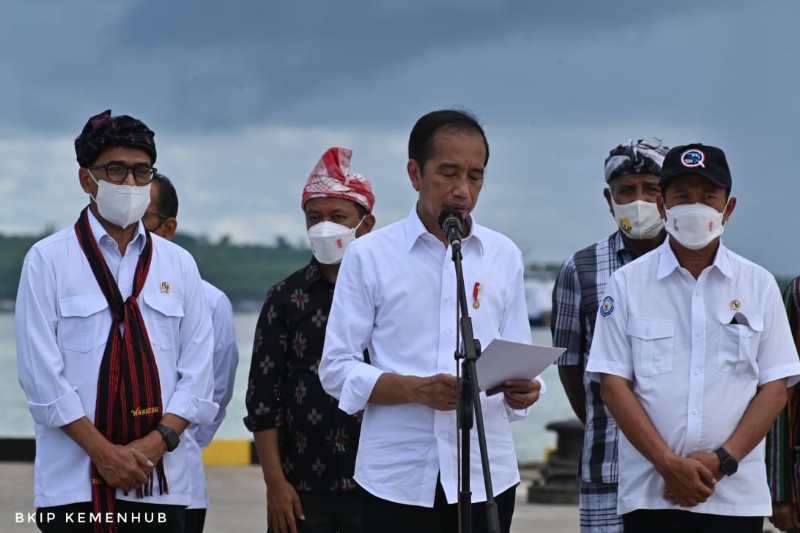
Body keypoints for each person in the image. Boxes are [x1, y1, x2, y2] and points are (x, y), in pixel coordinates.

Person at [319, 109, 542, 533]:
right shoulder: (369, 255)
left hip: (485, 473)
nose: (463, 190)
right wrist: (415, 390)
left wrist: (525, 389)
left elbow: (519, 357)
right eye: (448, 173)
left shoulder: (503, 255)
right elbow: (335, 368)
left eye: (476, 175)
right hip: (396, 479)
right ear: (415, 173)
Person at [15, 109, 217, 533]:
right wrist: (103, 453)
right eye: (116, 169)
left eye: (141, 171)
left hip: (157, 482)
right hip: (73, 487)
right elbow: (40, 377)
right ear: (87, 179)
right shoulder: (48, 261)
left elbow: (198, 374)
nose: (129, 183)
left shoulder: (179, 264)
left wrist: (155, 444)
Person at [585, 143, 800, 532]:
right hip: (652, 493)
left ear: (728, 208)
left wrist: (723, 460)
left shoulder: (759, 285)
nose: (695, 207)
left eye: (707, 196)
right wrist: (668, 464)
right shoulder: (627, 283)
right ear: (663, 207)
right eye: (682, 196)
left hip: (735, 496)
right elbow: (613, 385)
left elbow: (775, 387)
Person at [244, 147, 376, 533]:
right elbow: (262, 400)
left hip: (377, 482)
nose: (324, 227)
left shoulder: (387, 295)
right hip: (301, 486)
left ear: (364, 225)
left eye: (338, 217)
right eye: (314, 218)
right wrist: (275, 485)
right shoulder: (285, 298)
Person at [551, 138, 668, 532]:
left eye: (651, 189)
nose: (640, 201)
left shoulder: (693, 263)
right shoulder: (579, 270)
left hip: (685, 469)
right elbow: (569, 366)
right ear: (609, 198)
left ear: (668, 193)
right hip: (609, 466)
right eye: (626, 191)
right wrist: (606, 421)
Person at [143, 173, 240, 533]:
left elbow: (216, 387)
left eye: (142, 218)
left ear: (167, 229)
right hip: (91, 484)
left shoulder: (209, 300)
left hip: (178, 481)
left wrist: (179, 439)